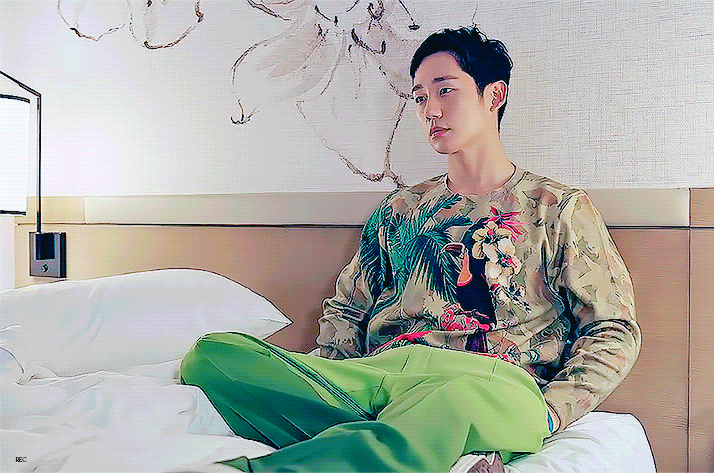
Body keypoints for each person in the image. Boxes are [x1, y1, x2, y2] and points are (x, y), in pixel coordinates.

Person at [181, 26, 640, 473]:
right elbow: (349, 309)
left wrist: (552, 412)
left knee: (453, 403)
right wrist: (322, 380)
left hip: (487, 382)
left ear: (494, 96)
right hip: (381, 374)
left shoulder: (557, 208)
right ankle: (416, 445)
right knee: (212, 357)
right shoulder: (400, 209)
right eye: (419, 98)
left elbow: (612, 328)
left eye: (445, 91)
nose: (429, 110)